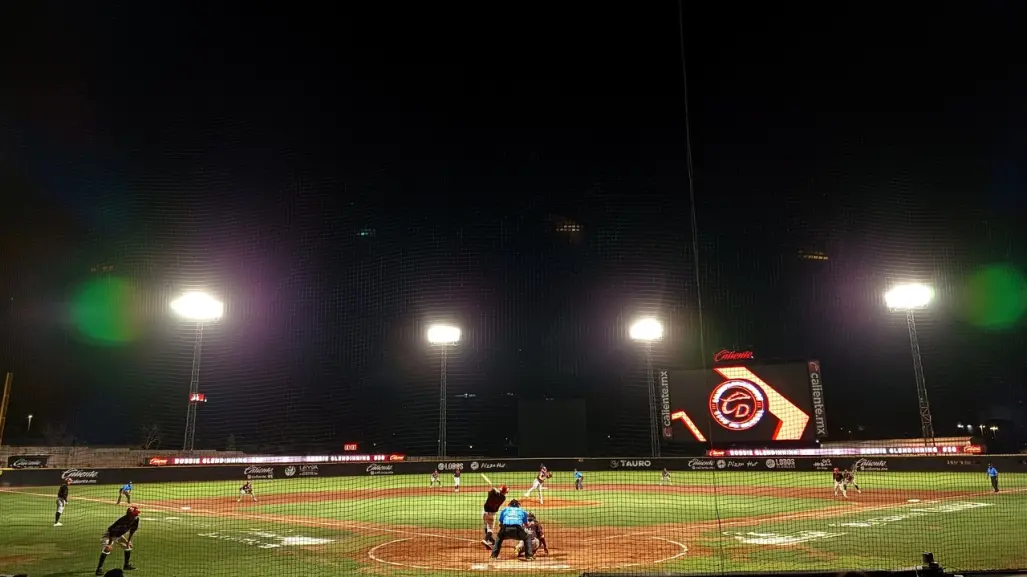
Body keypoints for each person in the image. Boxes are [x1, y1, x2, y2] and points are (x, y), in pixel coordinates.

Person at [96, 506, 140, 575]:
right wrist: (109, 544)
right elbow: (111, 531)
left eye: (136, 514)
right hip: (109, 535)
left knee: (128, 546)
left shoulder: (136, 519)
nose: (136, 515)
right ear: (129, 514)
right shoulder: (122, 521)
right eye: (134, 514)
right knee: (107, 549)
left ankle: (126, 565)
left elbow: (132, 531)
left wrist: (128, 541)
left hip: (118, 535)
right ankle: (98, 569)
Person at [480, 484, 508, 549]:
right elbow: (499, 495)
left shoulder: (492, 493)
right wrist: (497, 491)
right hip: (492, 515)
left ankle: (490, 540)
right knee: (490, 529)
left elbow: (490, 492)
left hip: (484, 513)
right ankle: (486, 540)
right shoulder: (503, 498)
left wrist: (495, 489)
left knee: (486, 526)